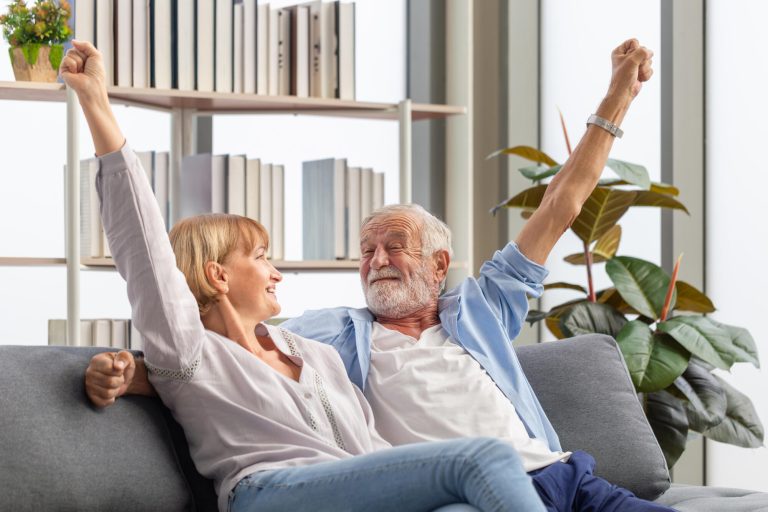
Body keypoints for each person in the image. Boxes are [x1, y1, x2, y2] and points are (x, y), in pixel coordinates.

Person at [84, 39, 674, 511]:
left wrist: (619, 94)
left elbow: (559, 208)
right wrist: (132, 371)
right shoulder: (334, 335)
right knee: (481, 462)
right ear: (216, 274)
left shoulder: (339, 348)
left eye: (395, 246)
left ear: (440, 265)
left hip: (552, 477)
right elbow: (166, 299)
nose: (376, 260)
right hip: (314, 488)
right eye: (366, 250)